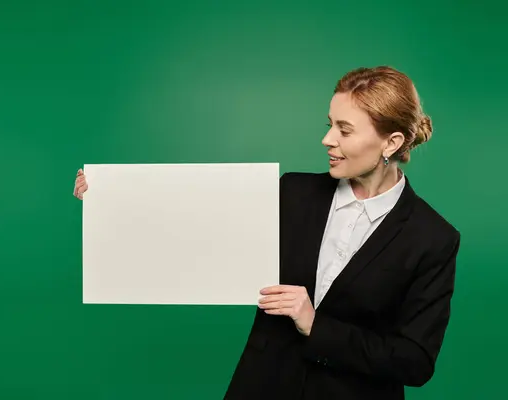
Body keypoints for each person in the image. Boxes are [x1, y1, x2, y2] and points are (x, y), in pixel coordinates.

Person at [72, 66, 461, 400]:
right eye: (330, 125)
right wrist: (109, 200)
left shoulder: (433, 238)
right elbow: (193, 225)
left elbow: (415, 360)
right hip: (262, 387)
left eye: (345, 130)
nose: (328, 140)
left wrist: (314, 324)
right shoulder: (292, 192)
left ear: (390, 142)